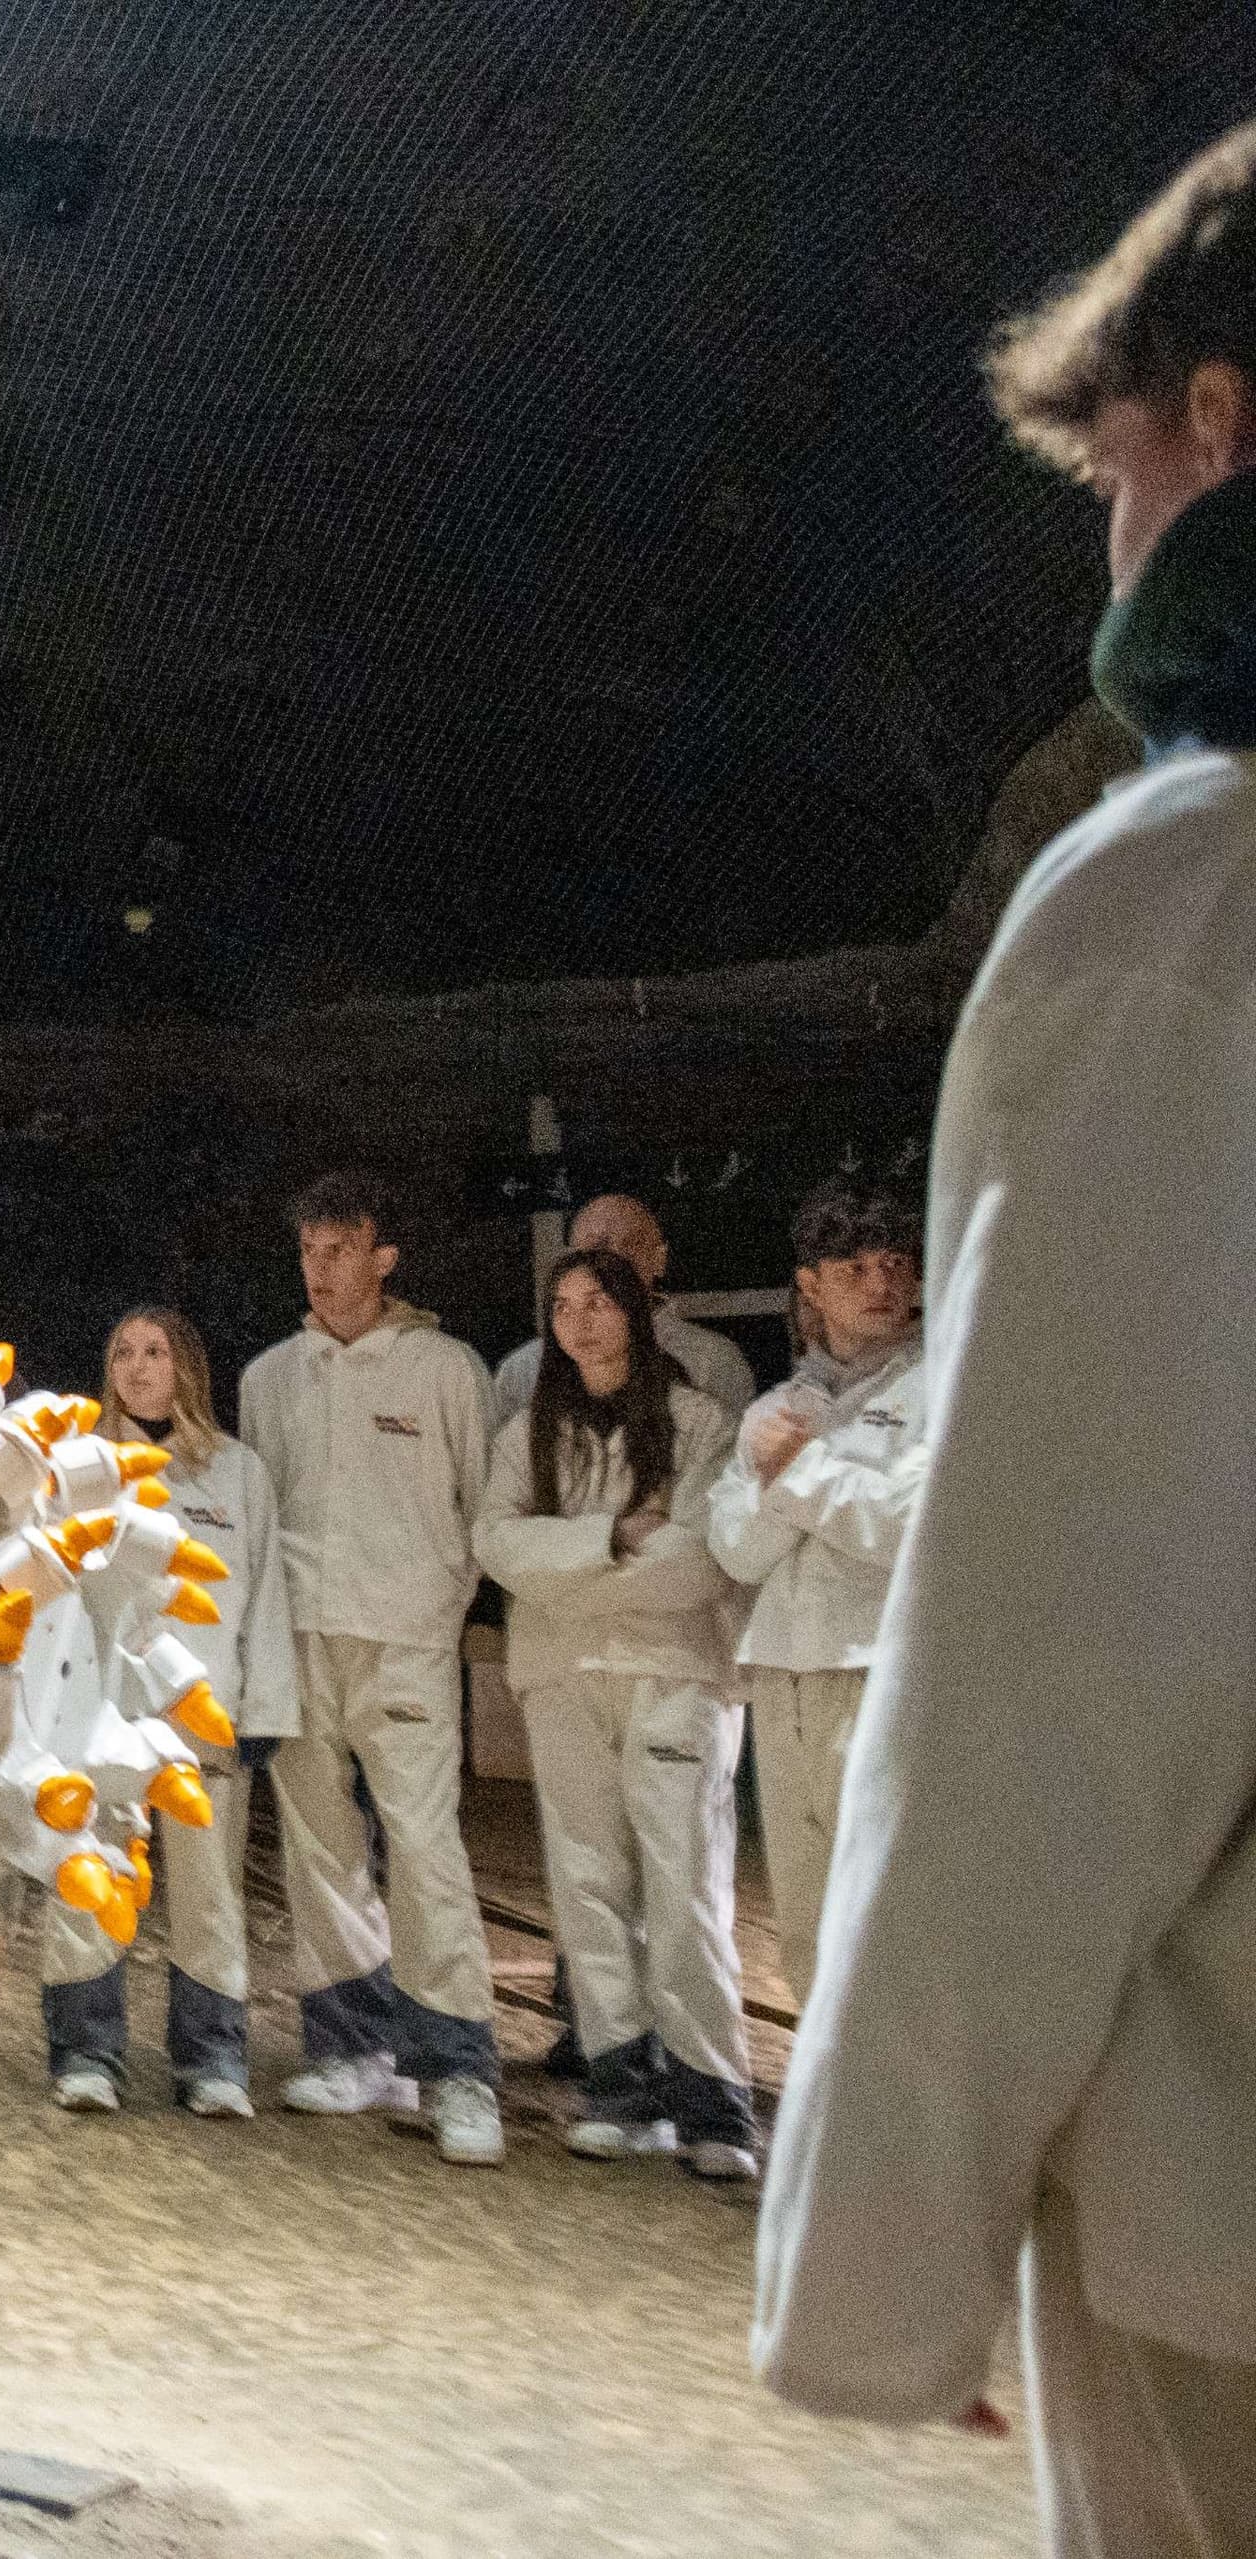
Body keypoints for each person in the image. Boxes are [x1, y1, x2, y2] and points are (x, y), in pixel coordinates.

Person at [757, 119, 1256, 2552]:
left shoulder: (1185, 905)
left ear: (1218, 424)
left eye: (1112, 468)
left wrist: (887, 2245)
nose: (1110, 533)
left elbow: (1060, 1661)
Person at [236, 1170, 505, 2166]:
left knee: (426, 1847)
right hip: (303, 1639)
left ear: (384, 1257)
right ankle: (353, 2050)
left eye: (342, 1248)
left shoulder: (443, 1368)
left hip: (406, 1645)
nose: (323, 1267)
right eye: (309, 1250)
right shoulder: (271, 1377)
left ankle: (460, 2069)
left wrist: (432, 1606)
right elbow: (263, 1516)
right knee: (319, 1850)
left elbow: (478, 1513)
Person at [472, 1250, 754, 2181]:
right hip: (561, 1677)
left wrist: (575, 1578)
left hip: (676, 1673)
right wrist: (611, 1538)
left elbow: (705, 1559)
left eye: (597, 1302)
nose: (580, 1320)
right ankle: (620, 2084)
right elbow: (499, 1542)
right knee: (587, 1882)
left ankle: (712, 2098)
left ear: (635, 1310)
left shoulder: (698, 1421)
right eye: (562, 1305)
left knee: (683, 1883)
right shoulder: (530, 1432)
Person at [40, 1307, 296, 2119]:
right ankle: (87, 2050)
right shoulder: (78, 1470)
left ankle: (212, 2056)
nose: (139, 1366)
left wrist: (261, 1707)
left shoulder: (238, 1472)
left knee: (210, 1889)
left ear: (187, 1367)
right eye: (123, 1351)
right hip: (99, 1713)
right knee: (92, 1876)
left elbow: (263, 1600)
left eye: (155, 1352)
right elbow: (47, 1599)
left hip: (203, 1717)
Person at [705, 1179, 925, 2002]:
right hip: (784, 1676)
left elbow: (909, 1530)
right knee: (802, 1914)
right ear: (811, 1285)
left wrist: (798, 1473)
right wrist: (792, 1478)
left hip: (877, 1675)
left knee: (885, 1907)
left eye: (895, 1263)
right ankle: (818, 2106)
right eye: (856, 1266)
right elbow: (735, 1549)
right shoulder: (777, 1405)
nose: (879, 1283)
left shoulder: (938, 1386)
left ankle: (896, 2122)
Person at [486, 1193, 757, 1431]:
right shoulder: (523, 1369)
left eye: (631, 1245)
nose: (614, 1259)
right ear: (571, 1262)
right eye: (596, 1247)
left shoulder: (715, 1360)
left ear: (659, 1258)